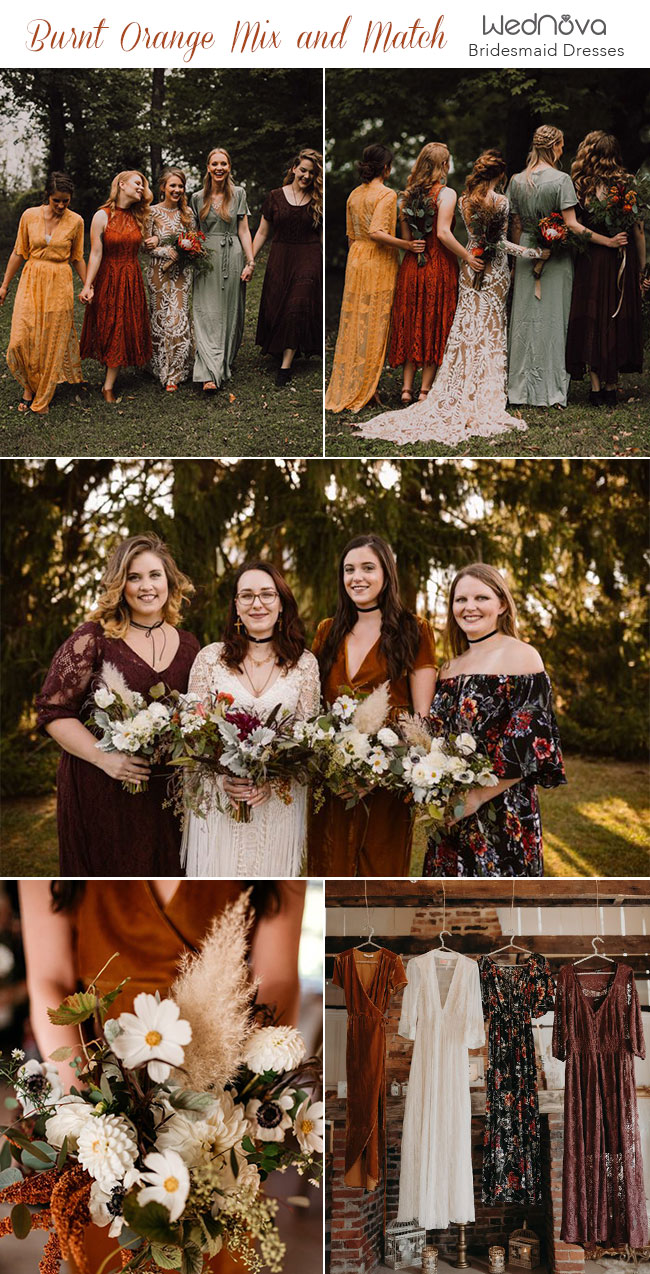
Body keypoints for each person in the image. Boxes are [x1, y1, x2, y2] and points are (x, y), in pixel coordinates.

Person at [18, 877, 306, 1273]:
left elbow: (277, 979)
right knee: (112, 1253)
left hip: (217, 1098)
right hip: (101, 1092)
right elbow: (50, 980)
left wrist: (231, 1096)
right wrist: (92, 1117)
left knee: (212, 1250)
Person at [36, 534, 200, 876]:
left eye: (155, 575)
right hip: (102, 787)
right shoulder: (93, 638)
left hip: (165, 794)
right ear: (119, 584)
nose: (146, 586)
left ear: (169, 580)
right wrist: (105, 757)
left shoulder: (189, 646)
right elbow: (53, 713)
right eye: (134, 577)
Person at [357, 151, 544, 446]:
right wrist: (531, 253)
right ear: (500, 175)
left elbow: (471, 237)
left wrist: (468, 258)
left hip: (467, 271)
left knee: (464, 326)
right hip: (490, 269)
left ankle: (433, 386)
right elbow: (498, 241)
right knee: (489, 329)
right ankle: (481, 388)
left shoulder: (465, 201)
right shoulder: (499, 201)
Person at [422, 563, 566, 878]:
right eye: (460, 600)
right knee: (448, 910)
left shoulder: (523, 657)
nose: (469, 607)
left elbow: (530, 745)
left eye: (481, 598)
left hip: (504, 810)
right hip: (451, 813)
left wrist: (476, 797)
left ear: (501, 604)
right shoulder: (448, 668)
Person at [308, 534, 436, 877]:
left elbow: (421, 720)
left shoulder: (414, 630)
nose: (357, 577)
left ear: (386, 574)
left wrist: (377, 772)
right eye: (349, 569)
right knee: (329, 867)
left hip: (388, 781)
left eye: (367, 568)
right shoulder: (327, 631)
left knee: (380, 872)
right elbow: (315, 705)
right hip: (332, 780)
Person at [182, 562, 320, 877]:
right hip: (220, 803)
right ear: (236, 607)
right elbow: (192, 736)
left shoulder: (304, 664)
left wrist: (273, 783)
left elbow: (308, 743)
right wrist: (222, 779)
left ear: (282, 604)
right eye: (247, 596)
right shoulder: (209, 659)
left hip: (276, 807)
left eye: (267, 595)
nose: (257, 604)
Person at [506, 125, 627, 408]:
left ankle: (520, 390)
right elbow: (572, 225)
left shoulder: (515, 180)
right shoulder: (561, 180)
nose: (563, 150)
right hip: (556, 256)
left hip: (526, 253)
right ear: (554, 147)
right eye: (561, 145)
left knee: (523, 322)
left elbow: (516, 224)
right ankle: (550, 391)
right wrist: (608, 242)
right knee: (553, 321)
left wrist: (521, 255)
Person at [324, 144, 425, 413]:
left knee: (355, 322)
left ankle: (358, 383)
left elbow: (351, 236)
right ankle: (366, 388)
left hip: (355, 260)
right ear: (386, 168)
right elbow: (377, 232)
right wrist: (408, 246)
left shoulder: (354, 194)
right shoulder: (387, 195)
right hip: (377, 261)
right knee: (375, 324)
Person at [566, 130, 645, 406]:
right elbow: (638, 231)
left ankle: (596, 388)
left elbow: (576, 228)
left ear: (591, 153)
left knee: (594, 316)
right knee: (616, 316)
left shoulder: (580, 184)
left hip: (593, 259)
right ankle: (612, 386)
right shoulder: (629, 183)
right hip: (622, 256)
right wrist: (642, 269)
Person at [0, 172, 86, 416]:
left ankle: (41, 394)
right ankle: (29, 385)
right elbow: (19, 251)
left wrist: (88, 284)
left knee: (51, 340)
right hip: (31, 279)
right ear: (47, 196)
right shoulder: (29, 216)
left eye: (65, 201)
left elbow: (77, 257)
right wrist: (4, 285)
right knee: (20, 339)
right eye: (56, 200)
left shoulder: (76, 221)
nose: (60, 206)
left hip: (59, 282)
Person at [388, 142, 458, 403]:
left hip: (412, 265)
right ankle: (424, 390)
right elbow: (443, 233)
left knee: (412, 320)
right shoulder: (447, 194)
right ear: (443, 165)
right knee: (434, 322)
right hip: (438, 264)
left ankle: (406, 388)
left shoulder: (405, 197)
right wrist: (465, 257)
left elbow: (408, 239)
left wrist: (414, 246)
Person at [79, 170, 153, 402]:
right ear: (121, 184)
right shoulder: (102, 216)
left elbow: (166, 231)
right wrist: (88, 285)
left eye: (143, 185)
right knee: (109, 325)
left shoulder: (140, 216)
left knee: (124, 325)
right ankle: (107, 374)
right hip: (109, 276)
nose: (141, 188)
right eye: (137, 183)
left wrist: (157, 240)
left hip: (131, 277)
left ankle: (108, 385)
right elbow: (95, 254)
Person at [252, 148, 323, 387]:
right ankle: (278, 348)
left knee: (297, 304)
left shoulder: (318, 199)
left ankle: (286, 365)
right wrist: (250, 260)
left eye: (311, 173)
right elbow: (263, 231)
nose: (306, 176)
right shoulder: (274, 196)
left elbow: (322, 236)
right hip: (280, 255)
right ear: (294, 168)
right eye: (303, 170)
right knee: (276, 306)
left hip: (308, 255)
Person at [190, 147, 254, 392]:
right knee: (206, 312)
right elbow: (194, 232)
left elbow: (244, 230)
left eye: (223, 164)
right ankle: (208, 372)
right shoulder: (198, 197)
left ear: (229, 168)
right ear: (208, 167)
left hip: (232, 254)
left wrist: (250, 261)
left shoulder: (238, 193)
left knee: (229, 311)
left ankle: (223, 362)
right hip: (206, 258)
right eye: (214, 164)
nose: (219, 168)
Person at [143, 167, 196, 392]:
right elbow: (144, 245)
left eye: (180, 186)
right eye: (172, 185)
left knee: (177, 317)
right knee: (160, 318)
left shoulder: (188, 214)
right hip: (158, 272)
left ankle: (175, 372)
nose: (176, 190)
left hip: (182, 273)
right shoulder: (151, 212)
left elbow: (194, 242)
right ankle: (158, 366)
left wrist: (187, 249)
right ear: (163, 187)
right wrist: (164, 250)